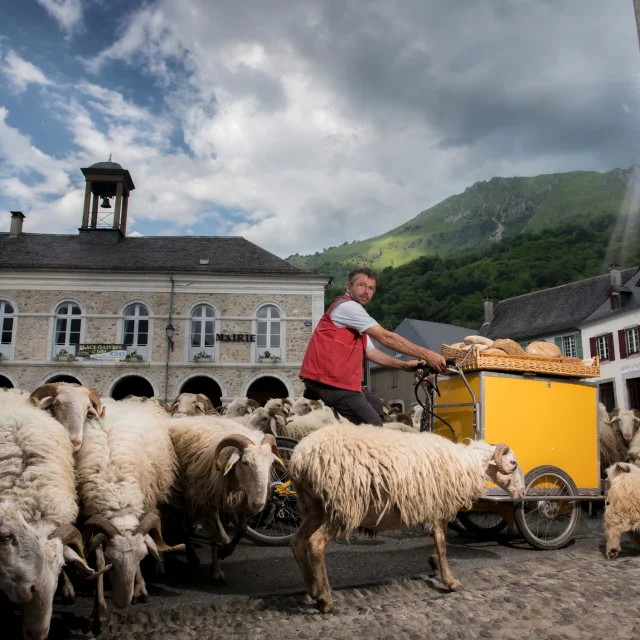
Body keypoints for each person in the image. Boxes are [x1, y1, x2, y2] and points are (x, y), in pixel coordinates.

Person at [300, 267, 447, 426]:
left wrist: (403, 365)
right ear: (349, 288)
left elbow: (372, 352)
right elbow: (386, 337)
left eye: (371, 288)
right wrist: (429, 355)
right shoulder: (348, 307)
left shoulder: (358, 320)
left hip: (342, 382)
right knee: (373, 425)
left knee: (376, 406)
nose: (366, 291)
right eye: (361, 285)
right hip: (331, 382)